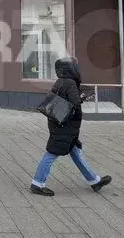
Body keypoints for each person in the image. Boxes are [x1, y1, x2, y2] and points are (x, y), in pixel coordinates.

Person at [30, 57, 112, 196]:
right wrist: (79, 111)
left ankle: (94, 180)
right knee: (52, 152)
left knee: (75, 151)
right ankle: (37, 183)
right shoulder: (70, 83)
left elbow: (64, 101)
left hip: (58, 122)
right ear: (71, 69)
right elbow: (75, 105)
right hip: (66, 126)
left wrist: (79, 99)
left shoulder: (60, 81)